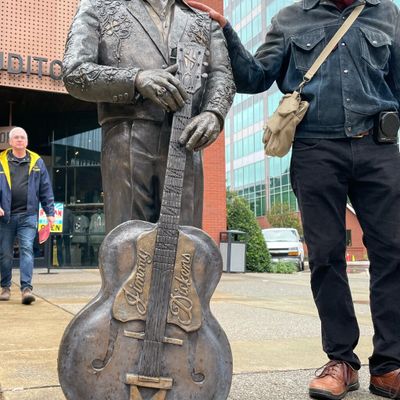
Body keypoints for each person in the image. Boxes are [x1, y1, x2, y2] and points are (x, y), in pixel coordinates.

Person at [187, 0, 400, 399]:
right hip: (316, 149)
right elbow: (255, 77)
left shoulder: (386, 14)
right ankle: (341, 361)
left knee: (393, 253)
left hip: (378, 147)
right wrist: (226, 31)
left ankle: (390, 365)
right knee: (326, 256)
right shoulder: (289, 19)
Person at [62, 0, 236, 233]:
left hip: (185, 141)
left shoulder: (203, 22)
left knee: (186, 242)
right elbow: (74, 71)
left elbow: (223, 75)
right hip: (126, 138)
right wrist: (136, 79)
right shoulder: (98, 8)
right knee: (127, 241)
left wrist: (213, 113)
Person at [0, 127, 55, 305]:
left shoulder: (37, 161)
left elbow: (45, 189)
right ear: (10, 142)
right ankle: (5, 287)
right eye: (16, 137)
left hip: (28, 216)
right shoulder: (1, 161)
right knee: (5, 253)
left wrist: (50, 213)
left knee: (26, 250)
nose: (19, 140)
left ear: (27, 141)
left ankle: (26, 289)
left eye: (22, 137)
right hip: (5, 217)